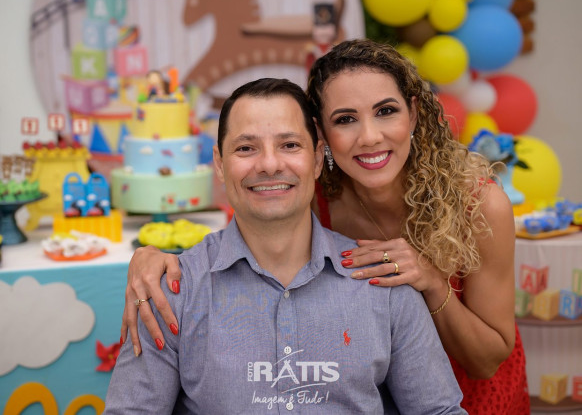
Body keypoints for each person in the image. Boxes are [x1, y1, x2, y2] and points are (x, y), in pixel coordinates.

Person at [121, 39, 530, 414]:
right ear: (323, 139)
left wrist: (434, 283)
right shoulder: (315, 195)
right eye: (346, 119)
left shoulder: (479, 204)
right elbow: (250, 239)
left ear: (414, 113)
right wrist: (153, 259)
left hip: (477, 379)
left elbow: (484, 363)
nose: (369, 136)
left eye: (386, 111)